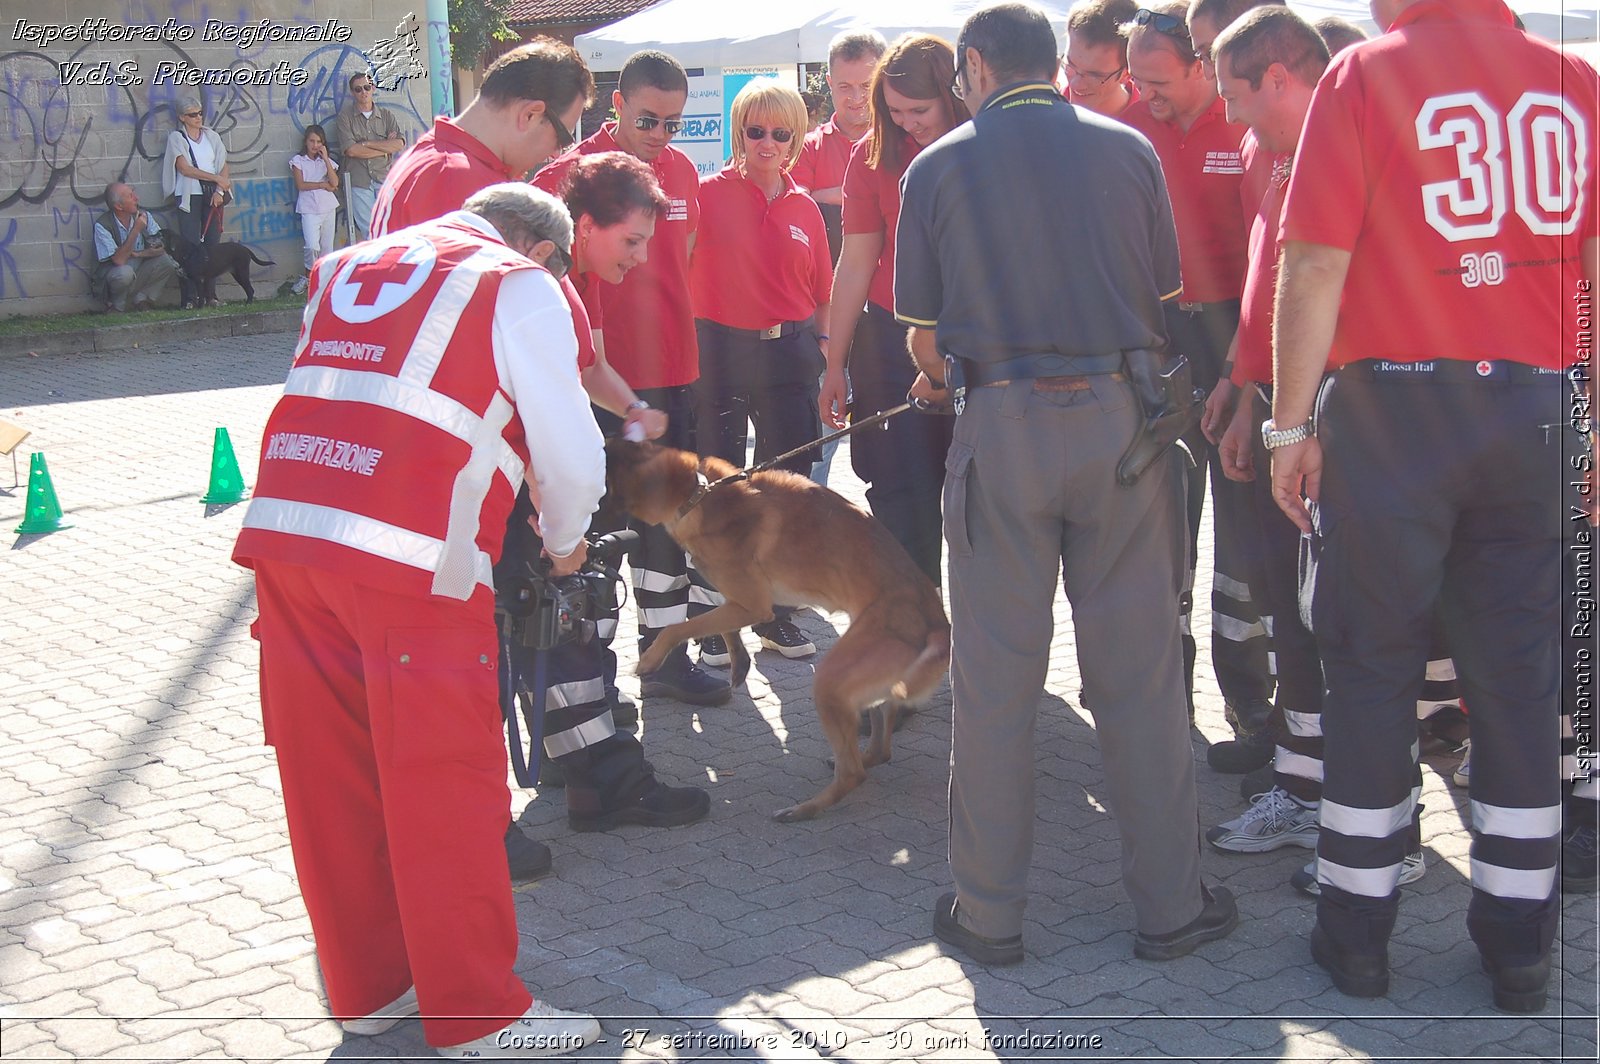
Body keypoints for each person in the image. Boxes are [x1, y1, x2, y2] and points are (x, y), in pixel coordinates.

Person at [1268, 0, 1596, 1013]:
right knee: (1516, 680)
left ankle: (1356, 932)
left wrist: (1289, 426)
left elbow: (1315, 260)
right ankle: (1518, 945)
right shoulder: (1573, 82)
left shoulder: (1363, 74)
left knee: (1369, 667)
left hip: (1392, 411)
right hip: (1533, 406)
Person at [231, 182, 605, 1057]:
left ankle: (370, 986)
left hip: (289, 543)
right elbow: (569, 444)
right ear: (540, 247)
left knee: (332, 780)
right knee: (446, 788)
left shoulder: (346, 261)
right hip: (411, 564)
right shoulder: (517, 282)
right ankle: (479, 1015)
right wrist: (566, 539)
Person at [898, 0, 1236, 966]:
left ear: (972, 68)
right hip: (1124, 423)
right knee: (1138, 677)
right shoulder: (1129, 151)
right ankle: (1172, 908)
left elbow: (922, 333)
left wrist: (940, 374)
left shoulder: (937, 163)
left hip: (1001, 427)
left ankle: (989, 915)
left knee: (995, 683)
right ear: (1055, 65)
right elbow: (1161, 299)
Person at [371, 40, 709, 843]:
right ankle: (489, 819)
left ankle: (575, 766)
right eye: (558, 137)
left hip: (439, 461)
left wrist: (620, 406)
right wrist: (557, 513)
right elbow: (527, 359)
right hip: (470, 466)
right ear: (529, 113)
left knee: (538, 622)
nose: (556, 158)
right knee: (534, 617)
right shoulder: (471, 187)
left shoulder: (423, 164)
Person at [534, 51, 758, 702]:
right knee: (599, 526)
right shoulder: (581, 178)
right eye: (648, 119)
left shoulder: (685, 172)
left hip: (671, 375)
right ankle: (587, 680)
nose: (660, 134)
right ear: (617, 106)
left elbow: (681, 266)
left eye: (674, 123)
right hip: (599, 378)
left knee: (669, 525)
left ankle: (664, 661)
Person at [1123, 0, 1275, 744]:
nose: (1141, 93)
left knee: (1244, 533)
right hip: (1157, 340)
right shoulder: (1127, 130)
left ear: (1201, 67)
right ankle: (1163, 699)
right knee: (1159, 526)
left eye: (1156, 80)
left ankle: (1251, 700)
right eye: (1133, 78)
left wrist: (1246, 374)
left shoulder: (1248, 126)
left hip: (1236, 339)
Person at [817, 34, 968, 586]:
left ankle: (979, 640)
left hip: (969, 337)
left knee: (978, 492)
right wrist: (835, 362)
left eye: (919, 111)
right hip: (888, 340)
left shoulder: (982, 148)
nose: (908, 124)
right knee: (899, 494)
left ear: (954, 96)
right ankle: (919, 628)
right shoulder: (873, 152)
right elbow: (855, 262)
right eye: (895, 112)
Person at [691, 79, 833, 492]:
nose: (767, 142)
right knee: (721, 490)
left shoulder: (805, 208)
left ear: (794, 138)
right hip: (719, 353)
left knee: (788, 489)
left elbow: (823, 293)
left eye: (780, 133)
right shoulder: (705, 196)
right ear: (740, 134)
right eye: (756, 131)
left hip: (789, 356)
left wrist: (821, 348)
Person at [790, 30, 888, 261]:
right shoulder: (807, 149)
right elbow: (795, 208)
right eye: (845, 87)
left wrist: (826, 195)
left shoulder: (900, 142)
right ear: (830, 83)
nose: (856, 97)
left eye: (866, 86)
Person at [161, 95, 231, 309]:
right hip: (190, 194)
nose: (198, 117)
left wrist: (220, 189)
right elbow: (184, 168)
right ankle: (190, 297)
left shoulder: (212, 136)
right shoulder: (177, 138)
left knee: (212, 246)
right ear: (183, 117)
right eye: (193, 114)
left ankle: (211, 295)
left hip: (213, 194)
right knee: (189, 247)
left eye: (200, 113)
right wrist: (216, 179)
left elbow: (223, 166)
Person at [332, 71, 405, 241]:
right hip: (359, 181)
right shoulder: (345, 118)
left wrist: (365, 144)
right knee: (370, 231)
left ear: (372, 88)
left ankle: (389, 264)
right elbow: (351, 150)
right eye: (358, 89)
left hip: (383, 178)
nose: (363, 92)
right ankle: (378, 266)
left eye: (366, 87)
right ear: (352, 93)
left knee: (389, 227)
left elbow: (399, 144)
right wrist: (385, 147)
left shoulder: (386, 116)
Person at [91, 183, 178, 312]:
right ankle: (117, 306)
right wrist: (136, 229)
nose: (136, 198)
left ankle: (142, 299)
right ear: (119, 206)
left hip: (140, 270)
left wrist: (139, 254)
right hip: (116, 277)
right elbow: (119, 260)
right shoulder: (102, 225)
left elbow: (165, 246)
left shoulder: (144, 216)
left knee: (168, 261)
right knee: (124, 272)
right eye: (131, 196)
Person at [1062, 0, 1140, 116]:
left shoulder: (1150, 129)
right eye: (1070, 65)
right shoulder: (1045, 108)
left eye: (1095, 76)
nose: (1075, 84)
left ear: (1127, 74)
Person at [290, 125, 340, 296]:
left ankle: (326, 283)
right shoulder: (298, 161)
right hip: (309, 208)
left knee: (327, 247)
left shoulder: (326, 162)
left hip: (328, 207)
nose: (315, 145)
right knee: (312, 245)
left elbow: (334, 183)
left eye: (319, 142)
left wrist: (325, 159)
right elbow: (301, 185)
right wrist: (321, 185)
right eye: (312, 141)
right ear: (306, 141)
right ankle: (309, 276)